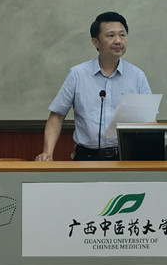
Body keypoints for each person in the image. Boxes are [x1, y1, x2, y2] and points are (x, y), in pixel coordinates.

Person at [35, 11, 151, 161]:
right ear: (95, 42)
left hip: (126, 158)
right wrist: (47, 154)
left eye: (122, 35)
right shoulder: (77, 74)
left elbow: (149, 120)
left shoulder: (137, 76)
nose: (118, 41)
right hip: (86, 157)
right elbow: (57, 116)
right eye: (110, 35)